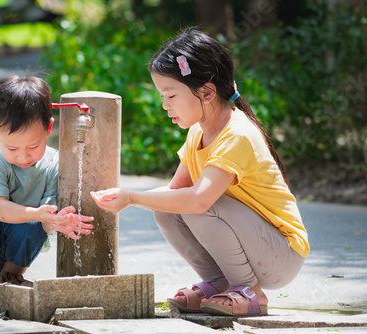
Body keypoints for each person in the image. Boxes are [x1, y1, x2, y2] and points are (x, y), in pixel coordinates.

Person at [91, 30, 309, 316]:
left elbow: (198, 201)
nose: (164, 105)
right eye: (162, 96)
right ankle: (219, 283)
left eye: (171, 95)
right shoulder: (198, 132)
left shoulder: (236, 136)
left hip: (281, 255)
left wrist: (132, 197)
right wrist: (124, 197)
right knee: (167, 208)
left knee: (200, 203)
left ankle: (250, 292)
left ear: (207, 92)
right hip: (258, 249)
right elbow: (174, 194)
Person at [0, 75, 94, 302]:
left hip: (15, 249)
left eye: (33, 146)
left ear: (48, 128)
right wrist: (37, 213)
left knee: (35, 221)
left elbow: (46, 213)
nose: (23, 156)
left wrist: (57, 220)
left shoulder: (55, 165)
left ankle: (11, 276)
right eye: (12, 147)